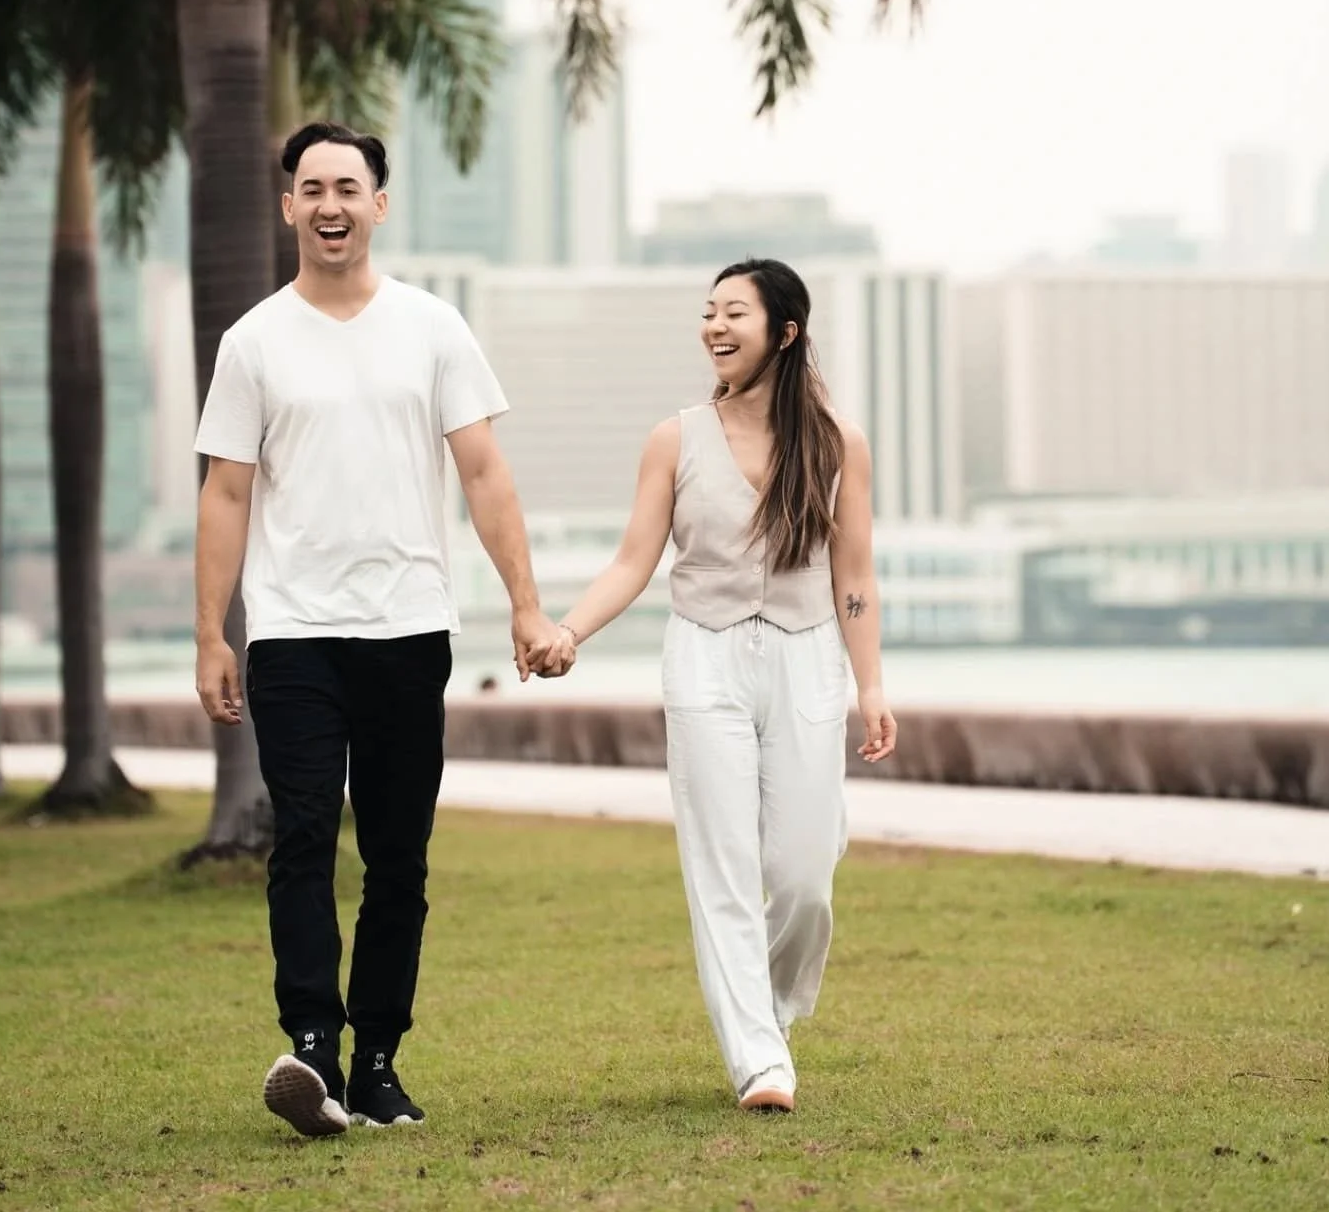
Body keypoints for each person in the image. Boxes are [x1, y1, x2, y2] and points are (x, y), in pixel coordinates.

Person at [193, 119, 569, 1139]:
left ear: (379, 205)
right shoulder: (254, 341)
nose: (329, 204)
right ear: (288, 208)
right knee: (305, 833)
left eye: (348, 187)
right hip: (295, 633)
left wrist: (526, 604)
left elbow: (485, 473)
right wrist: (211, 635)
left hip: (409, 629)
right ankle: (312, 1048)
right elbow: (226, 493)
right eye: (311, 187)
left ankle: (380, 1060)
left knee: (399, 856)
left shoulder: (433, 329)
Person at [547, 258, 896, 1114]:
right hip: (703, 655)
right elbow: (636, 560)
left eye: (733, 312)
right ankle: (757, 1059)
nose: (714, 327)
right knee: (725, 865)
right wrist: (567, 632)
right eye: (708, 313)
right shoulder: (675, 438)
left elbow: (854, 573)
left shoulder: (838, 440)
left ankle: (766, 1013)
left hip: (808, 656)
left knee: (806, 872)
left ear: (784, 332)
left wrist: (872, 684)